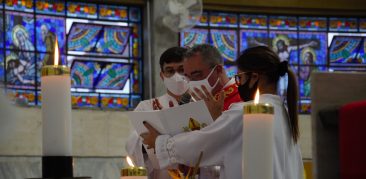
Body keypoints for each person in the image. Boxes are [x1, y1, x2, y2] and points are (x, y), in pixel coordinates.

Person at [141, 46, 304, 179]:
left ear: (254, 77)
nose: (238, 83)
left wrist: (160, 142)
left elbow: (201, 145)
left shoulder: (246, 112)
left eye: (240, 78)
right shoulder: (283, 113)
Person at [125, 47, 188, 179]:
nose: (176, 76)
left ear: (190, 71)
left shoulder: (205, 104)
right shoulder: (146, 107)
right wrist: (148, 141)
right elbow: (132, 143)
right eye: (170, 71)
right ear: (162, 75)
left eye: (181, 70)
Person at [183, 44, 242, 112]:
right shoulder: (195, 102)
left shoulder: (240, 100)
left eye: (196, 75)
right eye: (187, 77)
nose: (191, 82)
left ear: (218, 70)